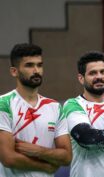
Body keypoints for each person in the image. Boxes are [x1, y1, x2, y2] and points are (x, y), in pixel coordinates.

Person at [0, 43, 72, 177]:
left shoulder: (55, 107)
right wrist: (45, 167)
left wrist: (38, 151)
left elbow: (67, 157)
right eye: (29, 65)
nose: (36, 70)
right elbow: (8, 158)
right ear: (14, 71)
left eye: (39, 65)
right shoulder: (3, 104)